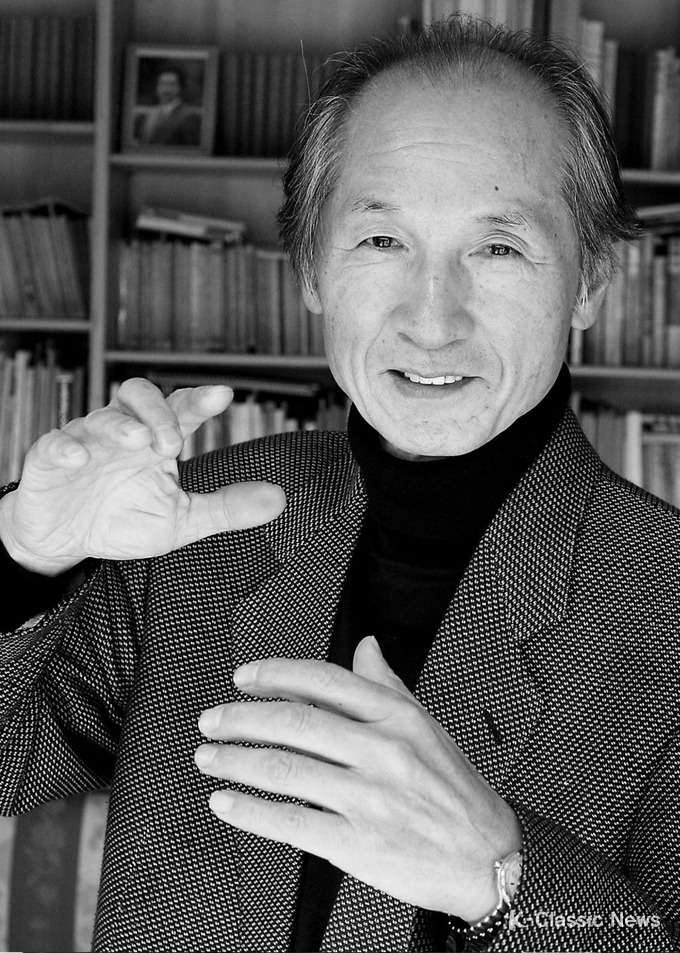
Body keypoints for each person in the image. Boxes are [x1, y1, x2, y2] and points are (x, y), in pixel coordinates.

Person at [1, 16, 678, 953]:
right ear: (313, 270)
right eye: (382, 240)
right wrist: (20, 558)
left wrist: (505, 878)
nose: (431, 320)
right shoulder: (202, 522)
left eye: (498, 248)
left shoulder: (665, 600)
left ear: (591, 280)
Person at [134, 63, 201, 146]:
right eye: (162, 83)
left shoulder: (189, 116)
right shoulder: (149, 115)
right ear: (156, 87)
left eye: (172, 84)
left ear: (180, 87)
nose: (166, 89)